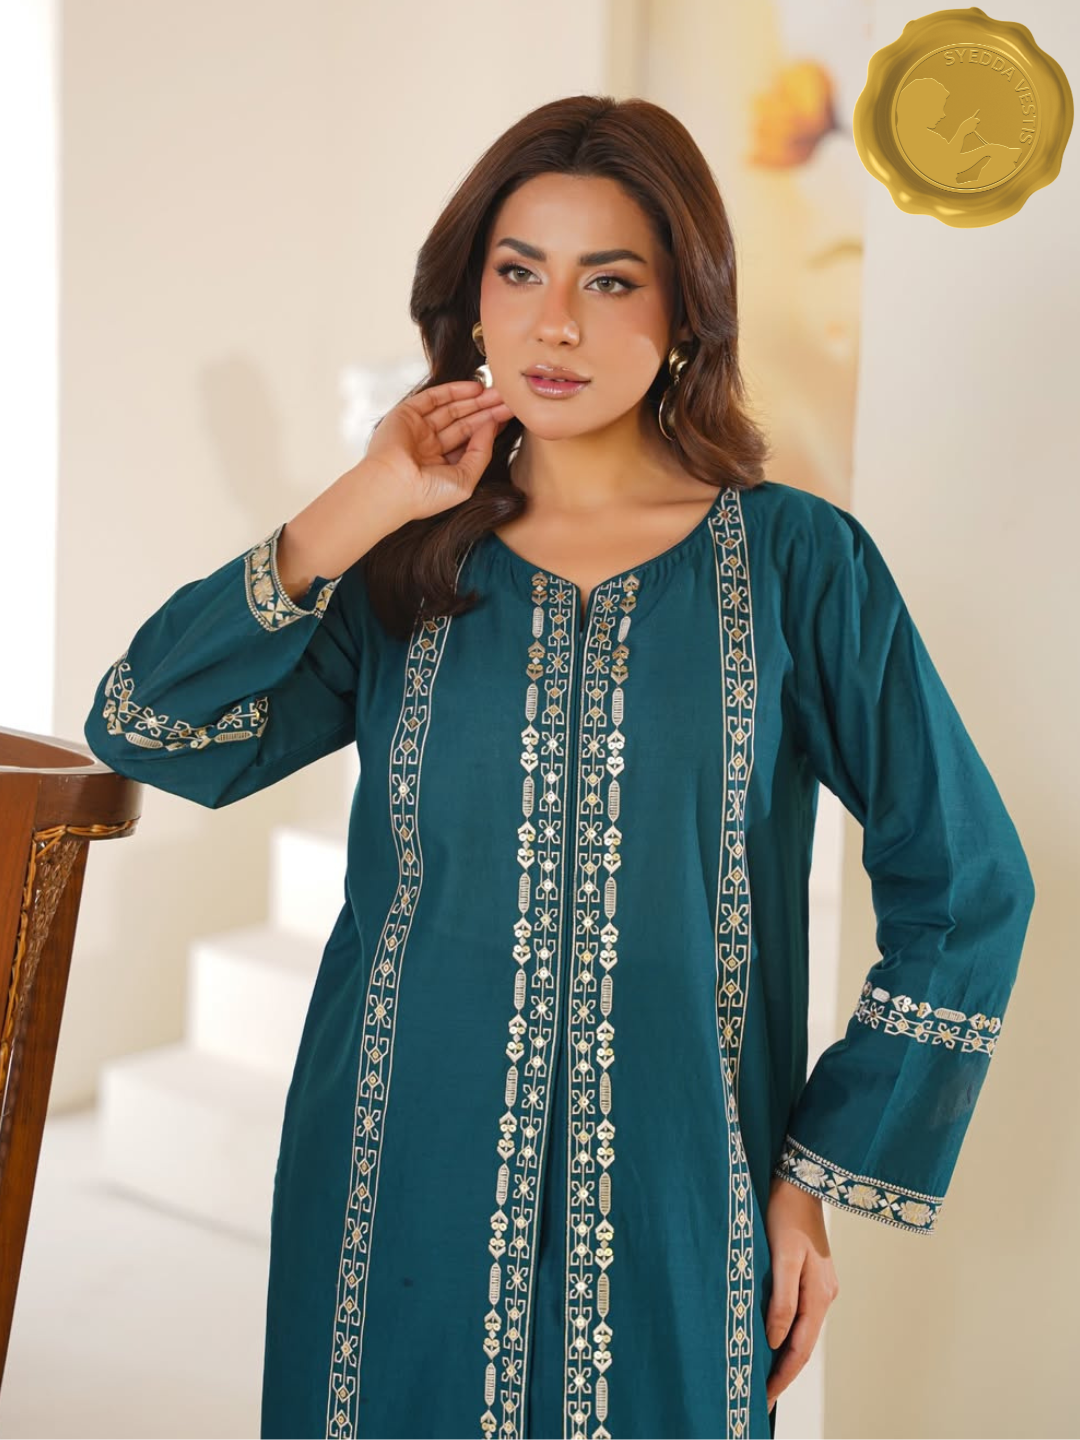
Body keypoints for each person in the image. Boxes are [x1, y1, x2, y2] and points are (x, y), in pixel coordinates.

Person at [82, 95, 1035, 1440]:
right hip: (395, 1178)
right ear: (472, 301)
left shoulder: (796, 567)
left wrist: (817, 1172)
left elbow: (968, 886)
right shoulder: (407, 565)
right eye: (520, 273)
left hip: (680, 1189)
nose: (557, 325)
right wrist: (365, 499)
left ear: (688, 309)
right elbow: (148, 725)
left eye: (611, 281)